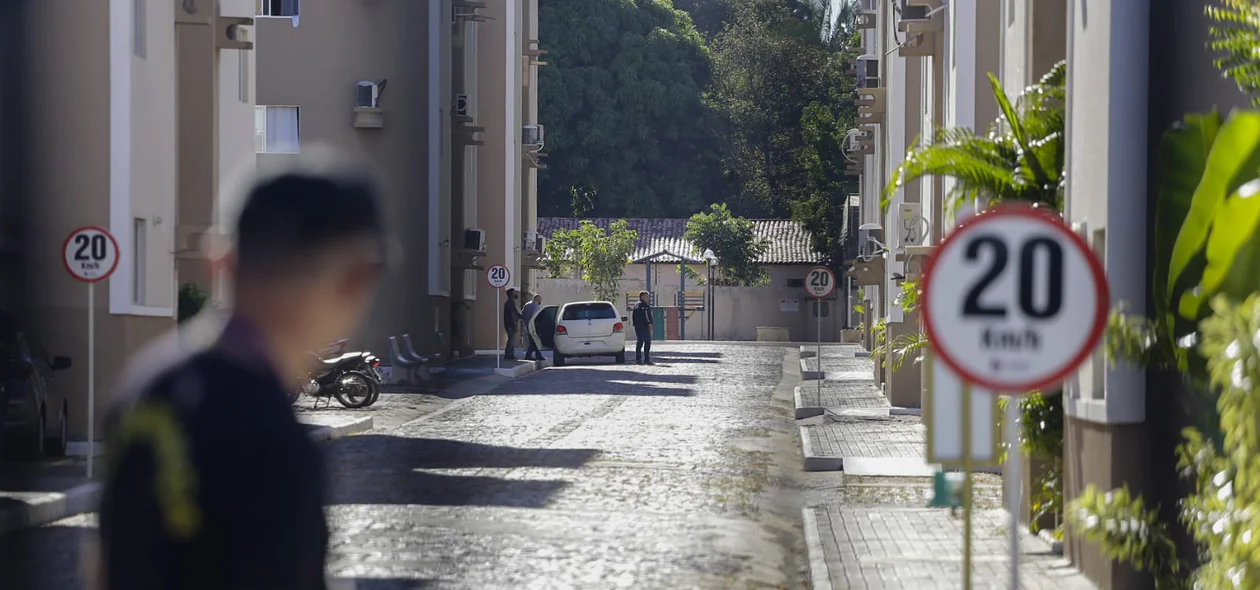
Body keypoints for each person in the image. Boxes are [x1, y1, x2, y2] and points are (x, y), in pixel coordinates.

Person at [94, 161, 386, 590]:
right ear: (356, 281)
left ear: (220, 259)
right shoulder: (270, 436)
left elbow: (104, 566)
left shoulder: (145, 382)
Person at [632, 290, 653, 365]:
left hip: (638, 326)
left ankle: (638, 359)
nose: (648, 298)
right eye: (647, 297)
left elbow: (633, 315)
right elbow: (646, 315)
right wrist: (649, 323)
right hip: (644, 326)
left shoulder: (636, 304)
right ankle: (646, 359)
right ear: (643, 297)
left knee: (639, 342)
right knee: (647, 341)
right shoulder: (644, 305)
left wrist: (635, 324)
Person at [521, 294, 543, 361]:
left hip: (526, 325)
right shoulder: (535, 305)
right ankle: (531, 355)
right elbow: (534, 316)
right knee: (535, 341)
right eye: (540, 300)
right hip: (533, 326)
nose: (540, 302)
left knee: (533, 341)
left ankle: (537, 355)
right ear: (538, 299)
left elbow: (522, 314)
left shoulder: (526, 305)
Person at [503, 287, 522, 360]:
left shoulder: (511, 302)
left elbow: (516, 314)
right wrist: (515, 324)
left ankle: (510, 354)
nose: (516, 294)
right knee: (511, 340)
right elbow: (513, 314)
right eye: (514, 293)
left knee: (511, 339)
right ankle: (509, 355)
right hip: (510, 325)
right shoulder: (510, 303)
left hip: (510, 324)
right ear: (511, 294)